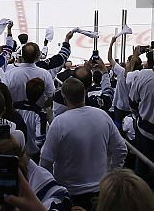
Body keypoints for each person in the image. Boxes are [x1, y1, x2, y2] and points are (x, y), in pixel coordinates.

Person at [39, 78, 127, 209]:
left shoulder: (59, 123)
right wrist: (112, 174)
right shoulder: (102, 115)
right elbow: (121, 149)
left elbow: (45, 161)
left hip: (68, 193)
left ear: (64, 98)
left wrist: (52, 187)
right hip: (100, 191)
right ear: (85, 93)